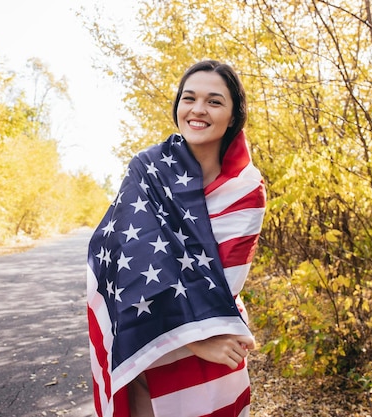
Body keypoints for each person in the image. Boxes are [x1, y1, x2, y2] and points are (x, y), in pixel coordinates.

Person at [87, 60, 266, 417]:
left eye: (214, 101)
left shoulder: (244, 189)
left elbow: (225, 281)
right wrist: (198, 342)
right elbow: (120, 258)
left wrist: (206, 340)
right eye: (189, 98)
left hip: (216, 333)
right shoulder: (145, 171)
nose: (198, 110)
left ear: (233, 116)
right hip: (151, 342)